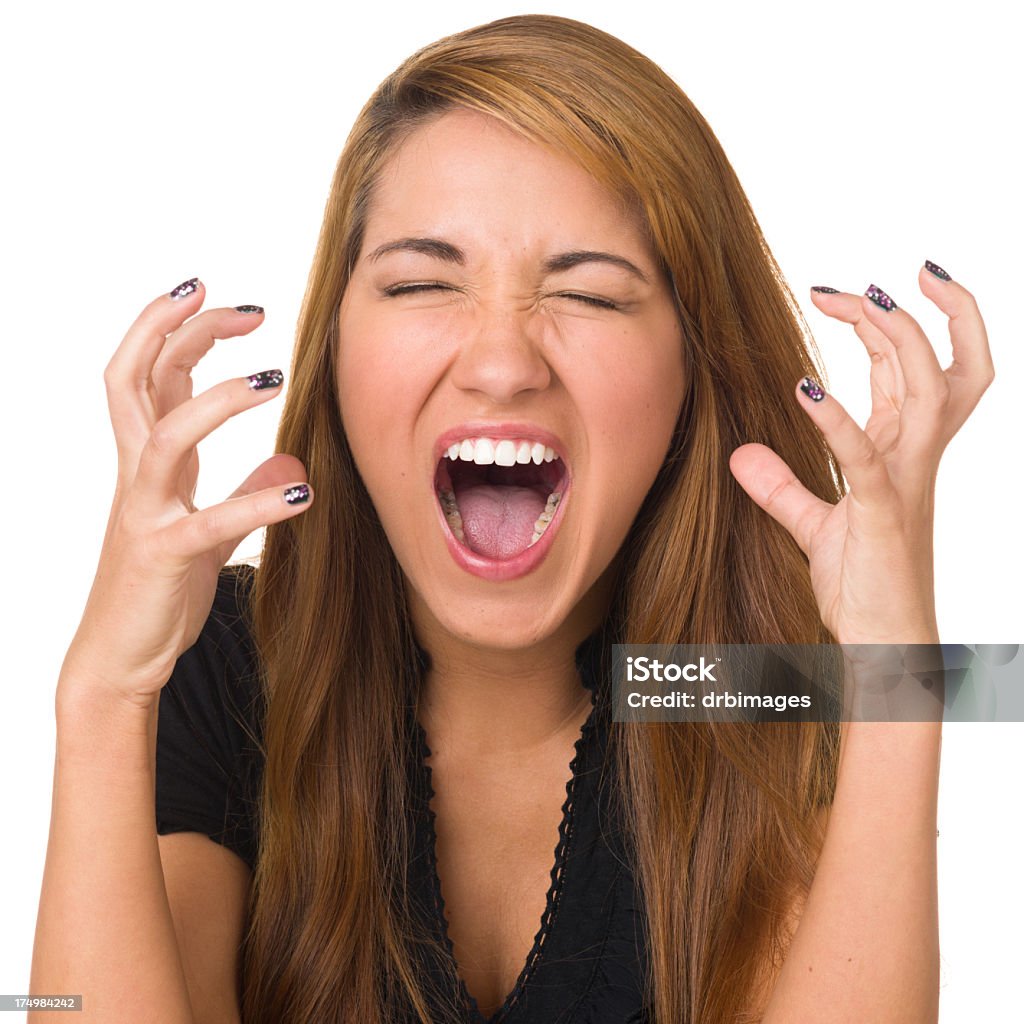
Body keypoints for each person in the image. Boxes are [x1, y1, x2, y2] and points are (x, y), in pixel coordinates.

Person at [29, 13, 993, 1024]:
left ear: (691, 375)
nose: (500, 362)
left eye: (590, 294)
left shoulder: (763, 680)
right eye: (419, 282)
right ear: (337, 354)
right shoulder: (226, 661)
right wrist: (101, 693)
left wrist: (896, 670)